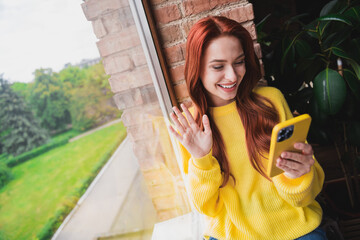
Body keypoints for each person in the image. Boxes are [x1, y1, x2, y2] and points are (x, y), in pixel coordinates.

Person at [168, 16, 326, 240]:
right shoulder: (191, 125)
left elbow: (306, 196)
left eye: (239, 62)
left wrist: (298, 175)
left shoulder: (270, 101)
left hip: (296, 229)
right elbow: (206, 207)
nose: (232, 76)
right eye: (218, 66)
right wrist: (201, 158)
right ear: (198, 68)